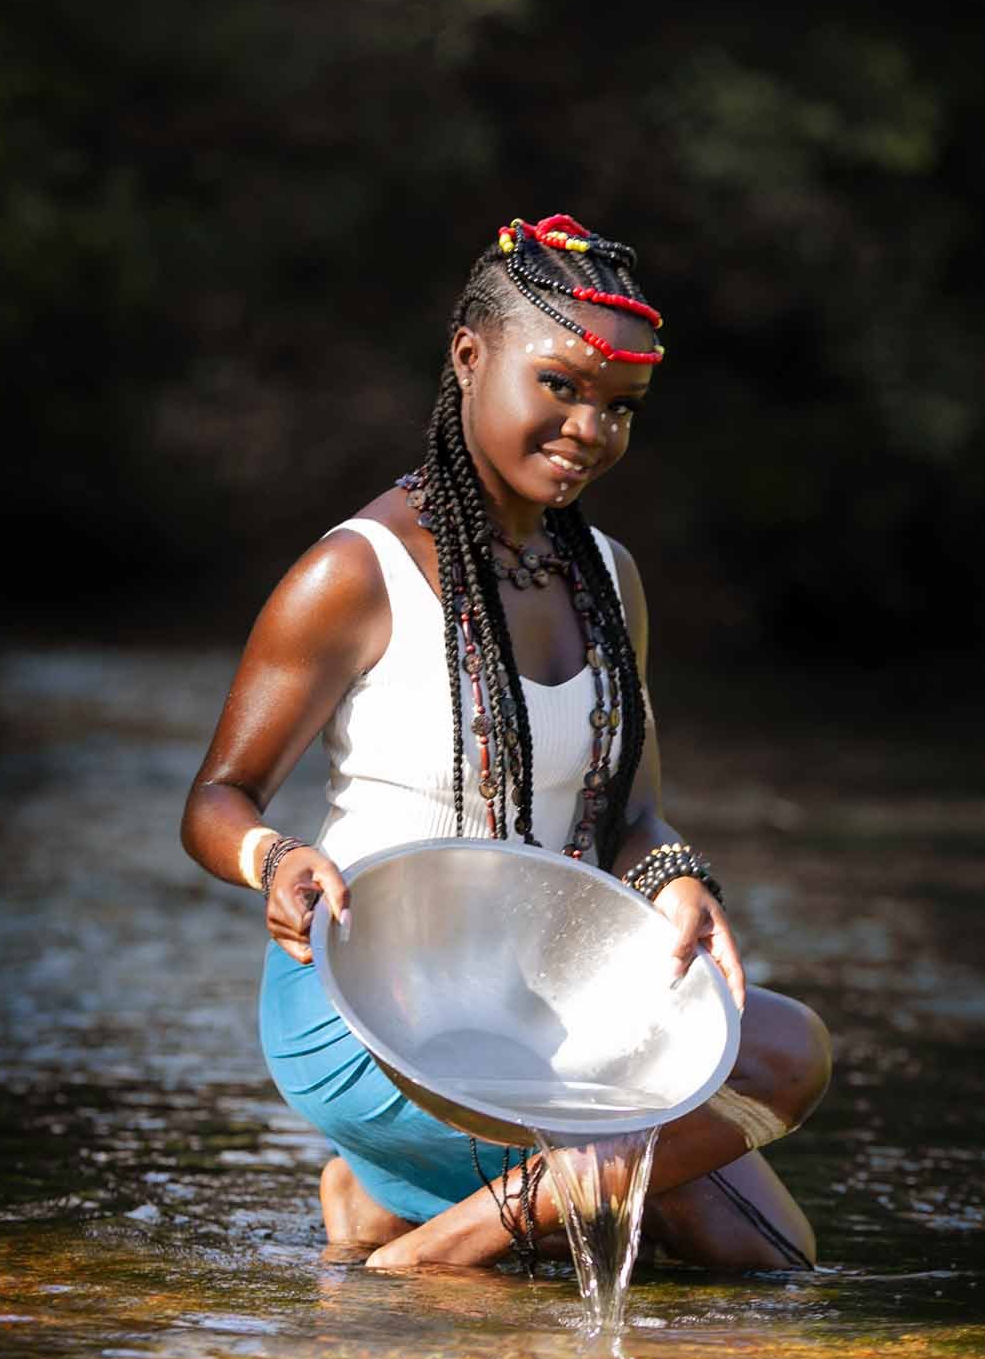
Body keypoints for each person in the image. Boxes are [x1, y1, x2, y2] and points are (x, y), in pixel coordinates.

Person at [181, 213, 831, 1272]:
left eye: (619, 408)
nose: (589, 429)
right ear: (470, 355)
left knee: (770, 1234)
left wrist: (672, 880)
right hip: (373, 1009)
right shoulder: (355, 571)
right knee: (680, 1190)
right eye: (561, 386)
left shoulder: (608, 578)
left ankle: (414, 1225)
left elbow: (633, 814)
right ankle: (428, 1255)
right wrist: (277, 859)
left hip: (538, 997)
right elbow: (216, 797)